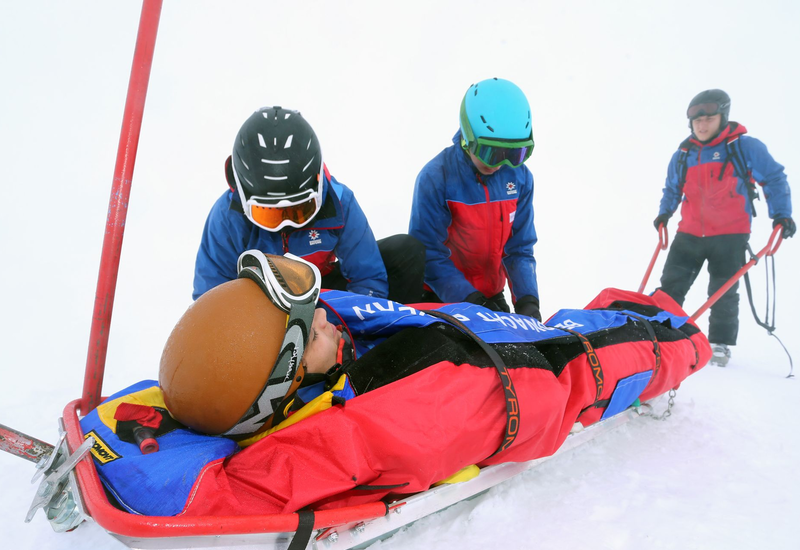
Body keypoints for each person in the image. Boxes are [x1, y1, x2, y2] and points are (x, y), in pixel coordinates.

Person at [78, 251, 710, 518]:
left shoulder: (279, 371)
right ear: (287, 374)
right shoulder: (349, 432)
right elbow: (221, 495)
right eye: (311, 324)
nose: (325, 312)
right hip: (511, 380)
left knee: (579, 324)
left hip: (463, 334)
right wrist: (683, 345)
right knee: (604, 356)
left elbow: (161, 398)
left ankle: (640, 316)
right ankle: (679, 336)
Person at [193, 106, 425, 304]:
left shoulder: (339, 202)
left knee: (405, 252)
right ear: (244, 197)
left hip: (318, 296)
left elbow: (368, 278)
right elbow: (210, 300)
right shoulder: (227, 218)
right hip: (261, 308)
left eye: (299, 210)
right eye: (268, 214)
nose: (286, 223)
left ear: (317, 188)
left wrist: (345, 332)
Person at [653, 89, 794, 367]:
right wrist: (664, 214)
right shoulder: (683, 155)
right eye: (697, 121)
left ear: (723, 117)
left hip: (730, 235)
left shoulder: (743, 147)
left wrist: (782, 215)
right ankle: (658, 334)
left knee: (723, 291)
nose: (702, 125)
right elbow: (672, 189)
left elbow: (774, 178)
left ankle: (719, 345)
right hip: (689, 233)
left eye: (709, 119)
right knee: (670, 287)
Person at [409, 78, 540, 320]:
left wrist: (527, 301)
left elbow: (519, 248)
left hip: (489, 295)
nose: (502, 164)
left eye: (516, 153)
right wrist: (470, 301)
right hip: (443, 295)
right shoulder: (437, 178)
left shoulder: (520, 179)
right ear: (468, 138)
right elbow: (429, 254)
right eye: (491, 152)